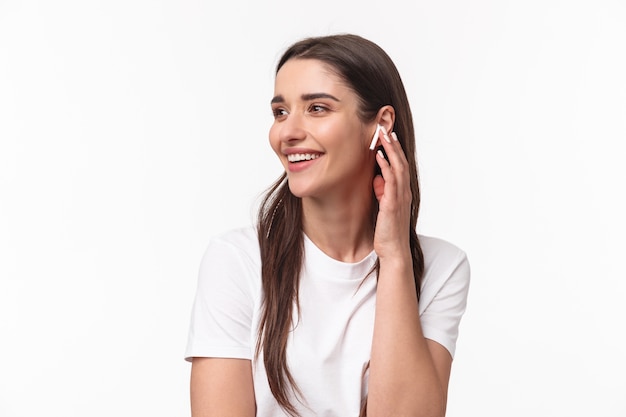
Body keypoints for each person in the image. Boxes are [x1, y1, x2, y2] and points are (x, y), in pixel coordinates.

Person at [185, 33, 470, 417]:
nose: (287, 132)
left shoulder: (442, 267)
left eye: (317, 108)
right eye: (280, 112)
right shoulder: (237, 261)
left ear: (381, 126)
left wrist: (395, 257)